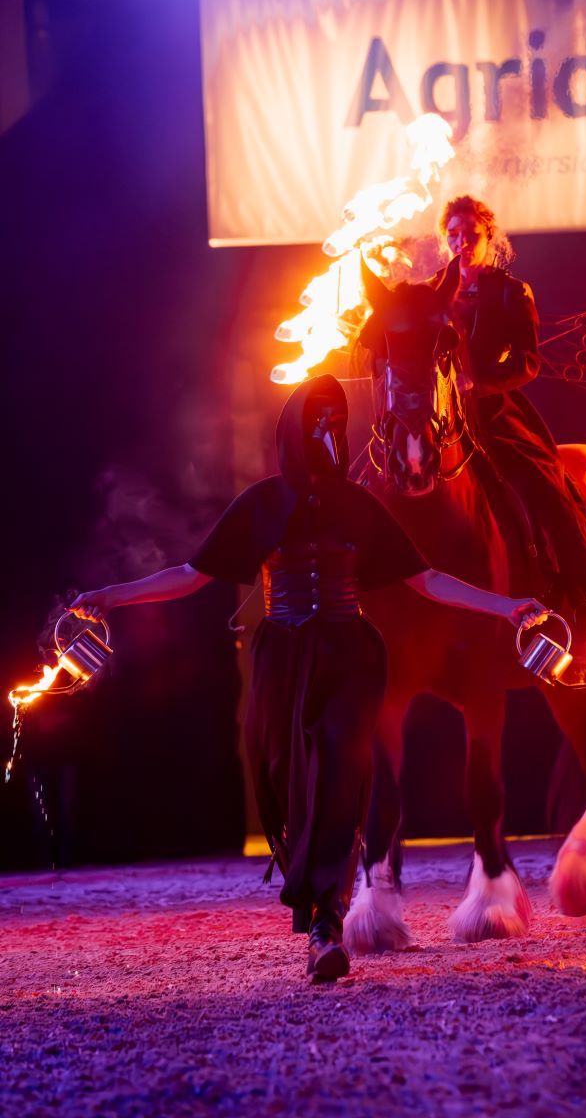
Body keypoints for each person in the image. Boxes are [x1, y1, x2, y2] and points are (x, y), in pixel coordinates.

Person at [70, 375, 546, 984]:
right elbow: (192, 574)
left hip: (349, 656)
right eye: (316, 421)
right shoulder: (261, 504)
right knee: (287, 781)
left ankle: (327, 925)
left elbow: (425, 580)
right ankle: (321, 910)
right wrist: (111, 597)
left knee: (340, 776)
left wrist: (506, 607)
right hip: (284, 662)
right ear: (293, 430)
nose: (328, 433)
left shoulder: (358, 504)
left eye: (335, 421)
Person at [436, 195, 586, 631]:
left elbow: (528, 362)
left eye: (470, 235)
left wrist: (479, 383)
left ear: (487, 237)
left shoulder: (512, 292)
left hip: (496, 411)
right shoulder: (432, 291)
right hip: (440, 416)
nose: (461, 243)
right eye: (453, 235)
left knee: (542, 481)